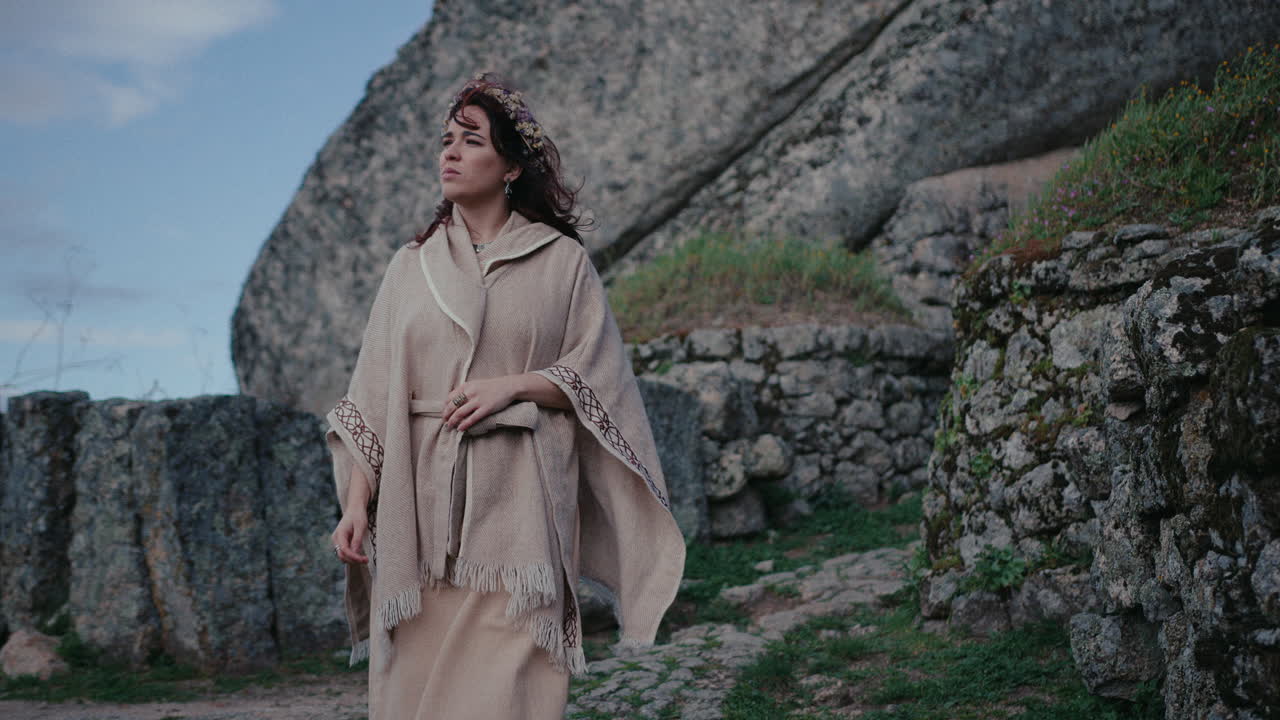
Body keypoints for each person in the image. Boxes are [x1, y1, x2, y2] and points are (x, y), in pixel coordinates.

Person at [323, 71, 686, 719]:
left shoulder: (561, 262)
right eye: (446, 140)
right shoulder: (411, 265)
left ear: (512, 166)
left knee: (508, 692)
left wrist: (513, 386)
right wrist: (355, 504)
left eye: (471, 141)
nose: (451, 153)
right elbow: (370, 395)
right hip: (419, 516)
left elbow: (599, 377)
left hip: (521, 514)